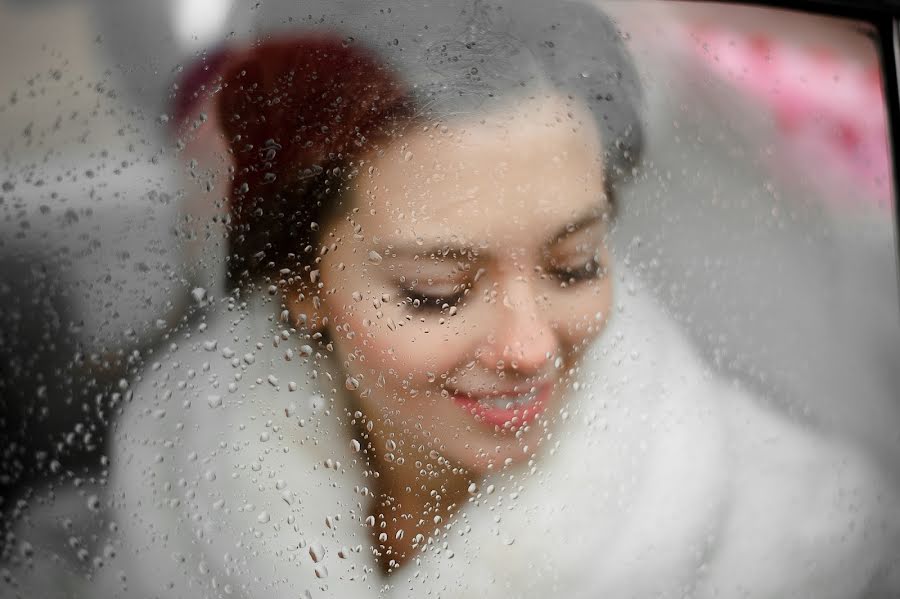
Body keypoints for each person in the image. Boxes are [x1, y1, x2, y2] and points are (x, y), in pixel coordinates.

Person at [5, 2, 898, 598]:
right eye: (438, 292)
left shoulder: (807, 540)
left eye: (575, 264)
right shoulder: (166, 500)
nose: (529, 347)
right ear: (301, 284)